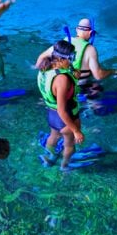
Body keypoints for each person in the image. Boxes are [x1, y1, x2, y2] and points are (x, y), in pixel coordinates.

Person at [35, 18, 117, 99]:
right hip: (76, 88)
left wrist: (42, 73)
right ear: (91, 33)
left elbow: (42, 57)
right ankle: (90, 106)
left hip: (55, 85)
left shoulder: (64, 43)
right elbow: (98, 75)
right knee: (97, 88)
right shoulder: (90, 49)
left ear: (76, 30)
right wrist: (113, 71)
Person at [37, 39, 84, 169]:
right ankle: (64, 167)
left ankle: (48, 159)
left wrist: (73, 75)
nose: (72, 61)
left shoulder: (44, 68)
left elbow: (55, 90)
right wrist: (76, 131)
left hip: (52, 115)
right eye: (71, 58)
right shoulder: (62, 79)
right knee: (69, 145)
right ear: (62, 59)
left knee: (54, 135)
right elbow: (62, 110)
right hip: (65, 118)